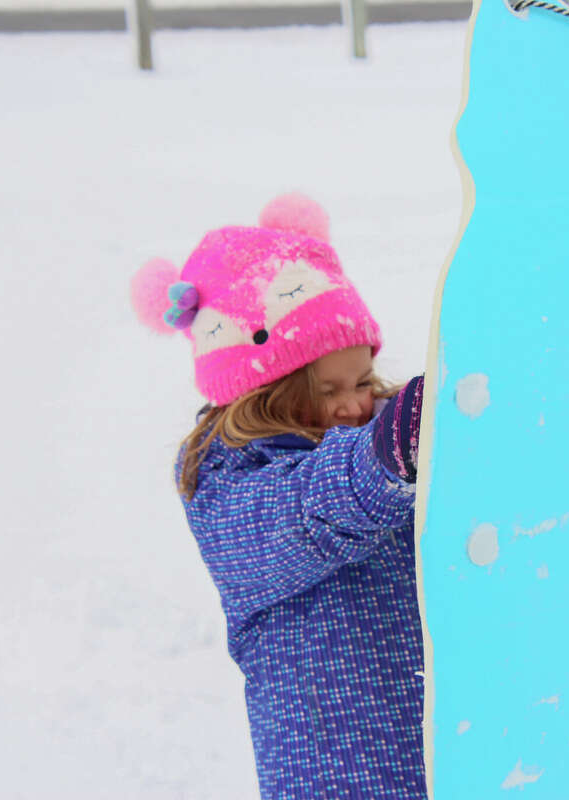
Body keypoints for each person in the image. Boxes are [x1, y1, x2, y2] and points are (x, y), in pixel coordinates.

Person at [130, 193, 427, 800]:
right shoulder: (228, 489)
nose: (354, 403)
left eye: (363, 381)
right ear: (264, 393)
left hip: (441, 750)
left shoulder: (389, 443)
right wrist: (386, 453)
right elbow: (308, 512)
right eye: (328, 389)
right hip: (336, 774)